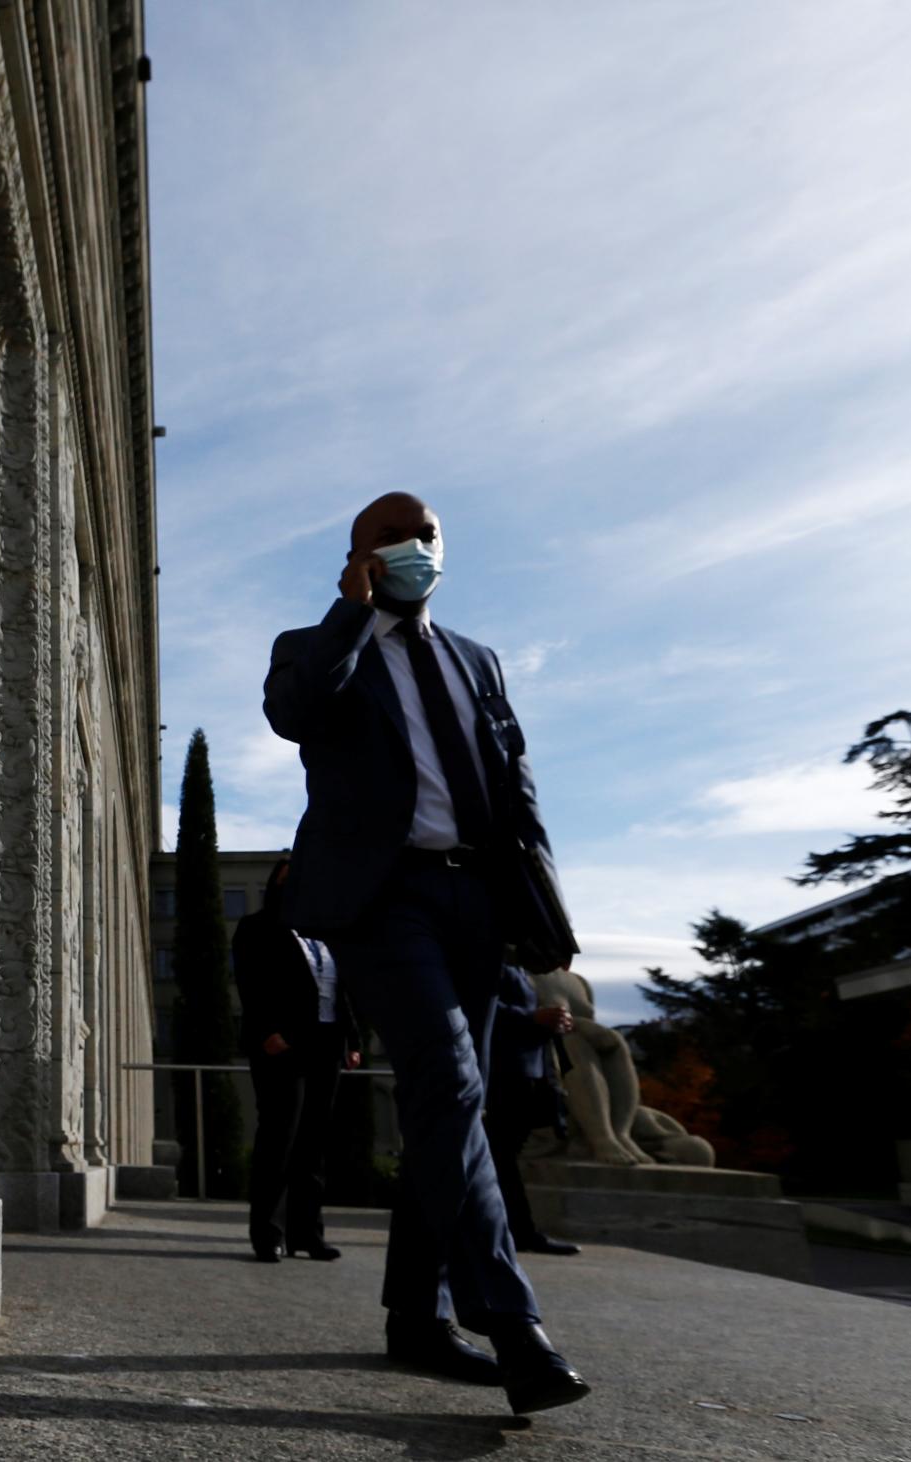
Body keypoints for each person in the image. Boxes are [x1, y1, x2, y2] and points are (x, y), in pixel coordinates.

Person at [261, 491, 592, 1415]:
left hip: (479, 896)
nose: (418, 547)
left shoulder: (478, 661)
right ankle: (515, 1325)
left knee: (458, 1111)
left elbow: (515, 783)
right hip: (386, 896)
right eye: (394, 537)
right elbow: (293, 713)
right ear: (361, 555)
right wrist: (351, 615)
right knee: (447, 1087)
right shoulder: (318, 643)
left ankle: (418, 1313)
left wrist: (542, 910)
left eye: (429, 533)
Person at [233, 859, 363, 1263]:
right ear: (275, 885)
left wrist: (353, 1040)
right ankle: (268, 1233)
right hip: (282, 1046)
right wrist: (267, 1032)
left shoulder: (325, 933)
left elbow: (341, 991)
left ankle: (307, 1234)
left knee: (313, 1144)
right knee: (279, 1139)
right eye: (288, 880)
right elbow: (251, 984)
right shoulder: (256, 927)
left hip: (327, 1046)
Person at [486, 962, 581, 1256]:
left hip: (525, 1073)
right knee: (500, 1157)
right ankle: (518, 1232)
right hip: (502, 1074)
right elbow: (478, 1007)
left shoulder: (518, 966)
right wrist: (534, 1018)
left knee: (503, 1158)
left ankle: (515, 1231)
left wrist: (553, 1022)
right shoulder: (489, 955)